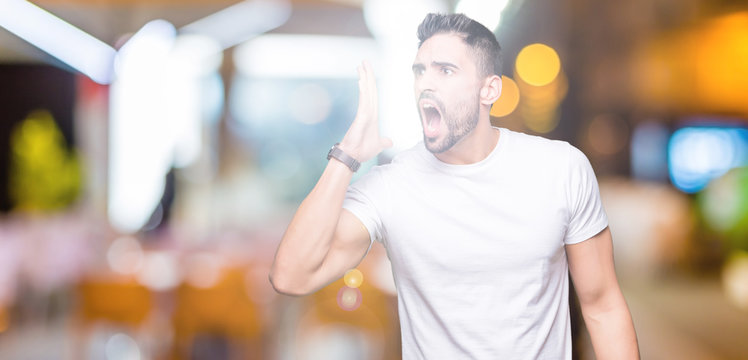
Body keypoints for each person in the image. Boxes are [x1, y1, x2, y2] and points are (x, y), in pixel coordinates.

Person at [270, 13, 639, 359]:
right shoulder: (389, 188)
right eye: (420, 71)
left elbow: (603, 306)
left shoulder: (561, 168)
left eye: (445, 70)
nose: (426, 84)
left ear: (488, 89)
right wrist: (347, 155)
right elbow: (291, 275)